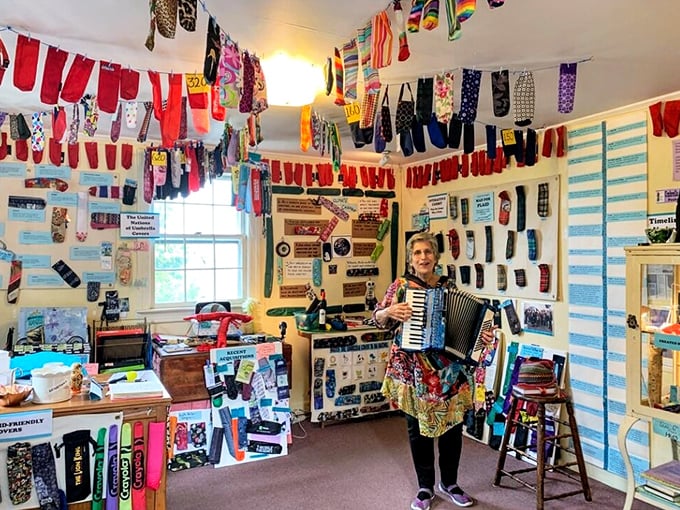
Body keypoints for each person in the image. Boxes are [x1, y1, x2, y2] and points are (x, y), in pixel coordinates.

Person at [373, 231, 495, 509]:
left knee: (452, 428)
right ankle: (425, 487)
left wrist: (482, 336)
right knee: (417, 430)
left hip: (448, 372)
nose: (423, 257)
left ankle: (450, 482)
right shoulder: (401, 286)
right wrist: (389, 312)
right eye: (417, 253)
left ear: (436, 257)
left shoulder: (448, 287)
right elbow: (377, 317)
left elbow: (468, 328)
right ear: (410, 259)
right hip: (413, 371)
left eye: (428, 252)